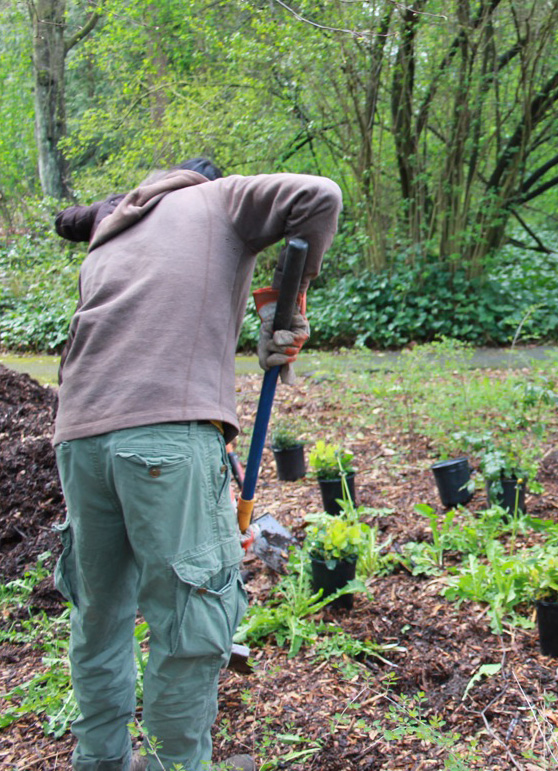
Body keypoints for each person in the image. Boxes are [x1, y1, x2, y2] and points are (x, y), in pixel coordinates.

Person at [51, 159, 342, 770]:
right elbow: (319, 197)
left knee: (98, 615)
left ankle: (99, 761)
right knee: (189, 622)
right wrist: (288, 309)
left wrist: (270, 308)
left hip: (78, 436)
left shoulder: (115, 228)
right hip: (164, 438)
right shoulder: (218, 200)